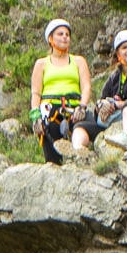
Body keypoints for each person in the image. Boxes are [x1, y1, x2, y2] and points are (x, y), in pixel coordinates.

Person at [29, 18, 92, 164]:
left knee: (89, 126)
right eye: (60, 34)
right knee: (49, 131)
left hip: (75, 107)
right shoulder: (42, 63)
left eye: (67, 34)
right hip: (50, 107)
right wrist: (35, 116)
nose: (65, 37)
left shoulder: (78, 61)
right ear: (51, 39)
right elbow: (36, 92)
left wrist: (82, 106)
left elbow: (86, 87)